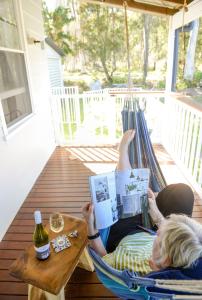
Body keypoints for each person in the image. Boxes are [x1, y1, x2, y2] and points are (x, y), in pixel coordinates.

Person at [82, 130, 202, 287]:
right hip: (144, 230)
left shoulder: (128, 264)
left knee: (125, 195)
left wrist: (90, 229)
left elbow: (104, 260)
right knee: (181, 192)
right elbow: (160, 232)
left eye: (160, 236)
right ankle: (123, 154)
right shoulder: (176, 260)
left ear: (165, 259)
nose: (159, 230)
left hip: (122, 238)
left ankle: (122, 152)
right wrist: (155, 213)